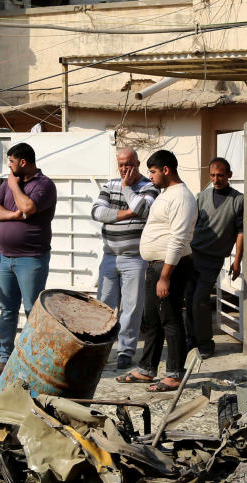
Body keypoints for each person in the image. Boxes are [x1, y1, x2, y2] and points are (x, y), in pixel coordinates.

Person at [115, 149, 195, 392]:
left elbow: (178, 239)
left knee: (170, 320)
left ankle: (174, 374)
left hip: (169, 267)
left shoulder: (181, 196)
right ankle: (147, 369)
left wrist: (165, 277)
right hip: (155, 265)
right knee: (151, 320)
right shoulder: (166, 193)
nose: (150, 176)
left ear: (166, 170)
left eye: (152, 171)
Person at [0, 142, 57, 376]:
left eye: (12, 162)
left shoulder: (44, 185)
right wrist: (11, 215)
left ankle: (33, 359)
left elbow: (27, 206)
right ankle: (5, 357)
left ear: (23, 163)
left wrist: (14, 185)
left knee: (32, 311)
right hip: (4, 259)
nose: (9, 166)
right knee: (7, 310)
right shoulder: (8, 184)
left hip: (31, 259)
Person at [91, 148, 159, 370]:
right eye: (120, 165)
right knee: (104, 306)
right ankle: (100, 349)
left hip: (134, 258)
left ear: (137, 163)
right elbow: (97, 213)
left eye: (128, 164)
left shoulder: (149, 186)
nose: (124, 169)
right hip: (110, 256)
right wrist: (129, 213)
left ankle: (125, 351)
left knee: (131, 307)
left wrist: (127, 189)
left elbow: (144, 209)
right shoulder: (109, 185)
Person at [185, 157, 244, 358]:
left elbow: (241, 232)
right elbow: (191, 224)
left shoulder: (238, 200)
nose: (216, 179)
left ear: (229, 175)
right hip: (193, 254)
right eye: (212, 175)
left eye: (220, 175)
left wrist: (237, 261)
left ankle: (206, 344)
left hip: (213, 259)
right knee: (190, 298)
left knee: (200, 301)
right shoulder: (202, 197)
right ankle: (191, 341)